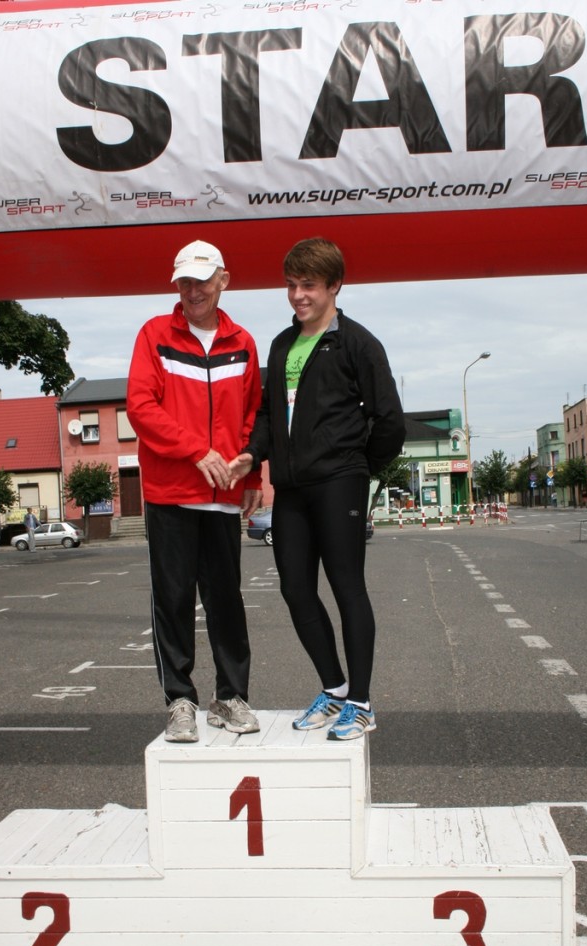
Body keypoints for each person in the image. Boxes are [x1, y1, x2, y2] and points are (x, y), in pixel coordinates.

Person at [230, 237, 405, 741]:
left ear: (334, 286)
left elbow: (389, 420)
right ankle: (334, 689)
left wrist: (357, 466)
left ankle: (362, 703)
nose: (297, 295)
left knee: (347, 587)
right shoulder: (282, 344)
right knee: (295, 589)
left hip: (339, 483)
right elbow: (268, 413)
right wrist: (254, 454)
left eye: (308, 285)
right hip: (291, 488)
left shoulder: (358, 344)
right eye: (291, 285)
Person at [127, 239, 263, 744]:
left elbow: (253, 415)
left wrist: (252, 475)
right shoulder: (154, 335)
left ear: (223, 280)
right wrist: (195, 451)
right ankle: (179, 701)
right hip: (170, 494)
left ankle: (231, 697)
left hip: (223, 495)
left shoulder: (243, 342)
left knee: (226, 601)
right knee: (174, 599)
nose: (193, 290)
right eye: (185, 281)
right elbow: (141, 407)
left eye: (202, 280)